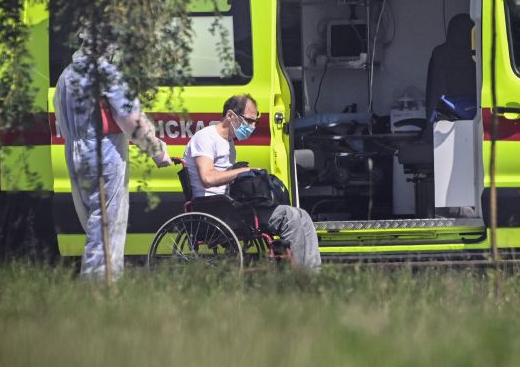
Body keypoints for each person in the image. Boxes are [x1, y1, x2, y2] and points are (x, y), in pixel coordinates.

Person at [54, 51, 172, 280]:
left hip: (75, 150)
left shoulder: (66, 74)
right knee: (107, 225)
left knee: (92, 220)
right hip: (104, 153)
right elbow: (131, 119)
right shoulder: (106, 73)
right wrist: (157, 151)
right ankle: (101, 287)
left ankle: (95, 283)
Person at [183, 94, 321, 270]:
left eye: (255, 121)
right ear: (231, 116)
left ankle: (312, 274)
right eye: (249, 120)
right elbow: (208, 178)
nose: (253, 126)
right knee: (291, 217)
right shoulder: (206, 138)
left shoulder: (228, 144)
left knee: (303, 215)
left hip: (232, 207)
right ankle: (302, 276)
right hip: (215, 210)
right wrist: (242, 171)